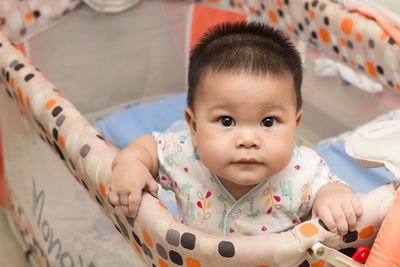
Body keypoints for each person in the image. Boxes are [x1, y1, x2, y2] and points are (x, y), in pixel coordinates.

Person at [107, 21, 363, 236]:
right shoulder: (185, 155)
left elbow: (330, 186)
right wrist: (131, 162)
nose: (248, 139)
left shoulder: (302, 171)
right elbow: (149, 146)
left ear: (295, 125)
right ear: (194, 127)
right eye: (227, 121)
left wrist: (334, 196)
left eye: (268, 122)